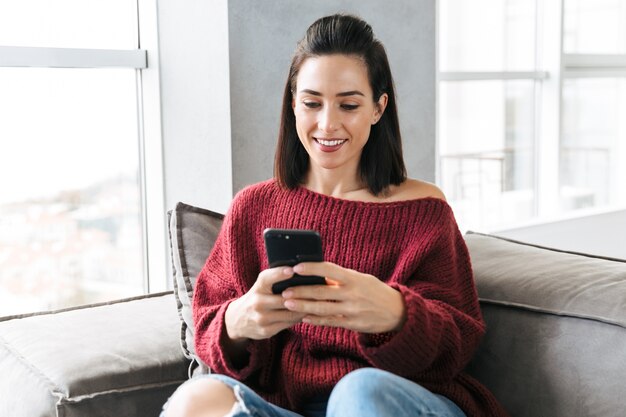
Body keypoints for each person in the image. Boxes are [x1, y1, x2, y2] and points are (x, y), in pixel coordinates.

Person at [162, 13, 509, 417]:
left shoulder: (423, 211)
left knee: (358, 392)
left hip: (397, 401)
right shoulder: (253, 207)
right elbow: (207, 327)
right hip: (291, 408)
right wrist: (237, 322)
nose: (327, 123)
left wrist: (397, 315)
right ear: (293, 103)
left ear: (379, 109)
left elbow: (459, 341)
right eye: (311, 103)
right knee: (198, 398)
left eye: (348, 104)